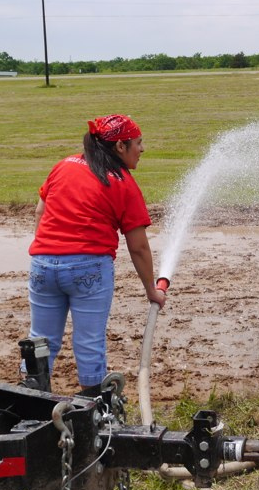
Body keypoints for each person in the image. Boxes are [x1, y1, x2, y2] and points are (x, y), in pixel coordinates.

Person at [27, 114, 167, 394]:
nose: (142, 149)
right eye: (138, 143)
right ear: (119, 147)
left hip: (41, 264)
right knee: (89, 342)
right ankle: (92, 407)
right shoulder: (122, 182)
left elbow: (40, 212)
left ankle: (30, 396)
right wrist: (151, 290)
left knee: (40, 339)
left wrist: (50, 252)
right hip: (88, 268)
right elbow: (138, 246)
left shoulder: (63, 165)